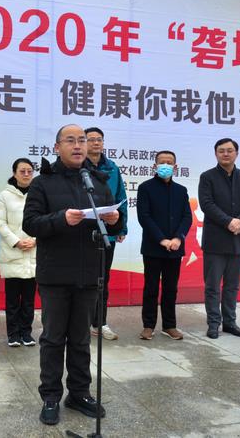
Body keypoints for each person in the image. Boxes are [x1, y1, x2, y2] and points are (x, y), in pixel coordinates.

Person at [23, 124, 122, 426]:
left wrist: (115, 220)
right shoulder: (43, 182)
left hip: (89, 274)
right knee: (53, 339)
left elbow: (114, 227)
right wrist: (61, 219)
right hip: (54, 274)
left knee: (80, 340)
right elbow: (30, 224)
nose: (78, 145)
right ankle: (51, 396)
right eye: (71, 140)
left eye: (82, 140)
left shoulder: (97, 182)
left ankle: (79, 393)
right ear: (57, 147)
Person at [198, 138, 240, 339]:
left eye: (230, 150)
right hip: (215, 240)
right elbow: (206, 204)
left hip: (238, 239)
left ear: (236, 154)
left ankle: (230, 323)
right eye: (221, 150)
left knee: (232, 285)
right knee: (213, 286)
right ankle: (214, 323)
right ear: (216, 154)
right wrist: (228, 221)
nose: (226, 154)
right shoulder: (207, 177)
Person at [137, 150, 192, 341]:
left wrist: (178, 238)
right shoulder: (145, 188)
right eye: (162, 162)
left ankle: (169, 325)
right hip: (153, 247)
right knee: (151, 288)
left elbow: (187, 217)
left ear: (175, 167)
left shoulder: (181, 190)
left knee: (171, 288)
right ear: (155, 166)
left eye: (169, 162)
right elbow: (144, 217)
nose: (166, 165)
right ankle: (148, 326)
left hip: (175, 248)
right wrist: (162, 239)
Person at [84, 127, 128, 341]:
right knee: (83, 279)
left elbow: (121, 197)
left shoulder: (112, 168)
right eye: (91, 139)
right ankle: (80, 324)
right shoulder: (78, 167)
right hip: (82, 234)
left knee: (102, 280)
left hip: (106, 233)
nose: (95, 143)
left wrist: (121, 227)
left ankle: (99, 323)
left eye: (99, 139)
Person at [0, 158, 37, 347]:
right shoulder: (4, 195)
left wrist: (35, 240)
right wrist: (16, 242)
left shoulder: (38, 193)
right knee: (12, 299)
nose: (26, 174)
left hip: (33, 252)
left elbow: (44, 219)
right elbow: (0, 222)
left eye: (29, 171)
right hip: (12, 252)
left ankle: (26, 333)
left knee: (28, 300)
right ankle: (13, 334)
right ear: (14, 173)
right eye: (22, 171)